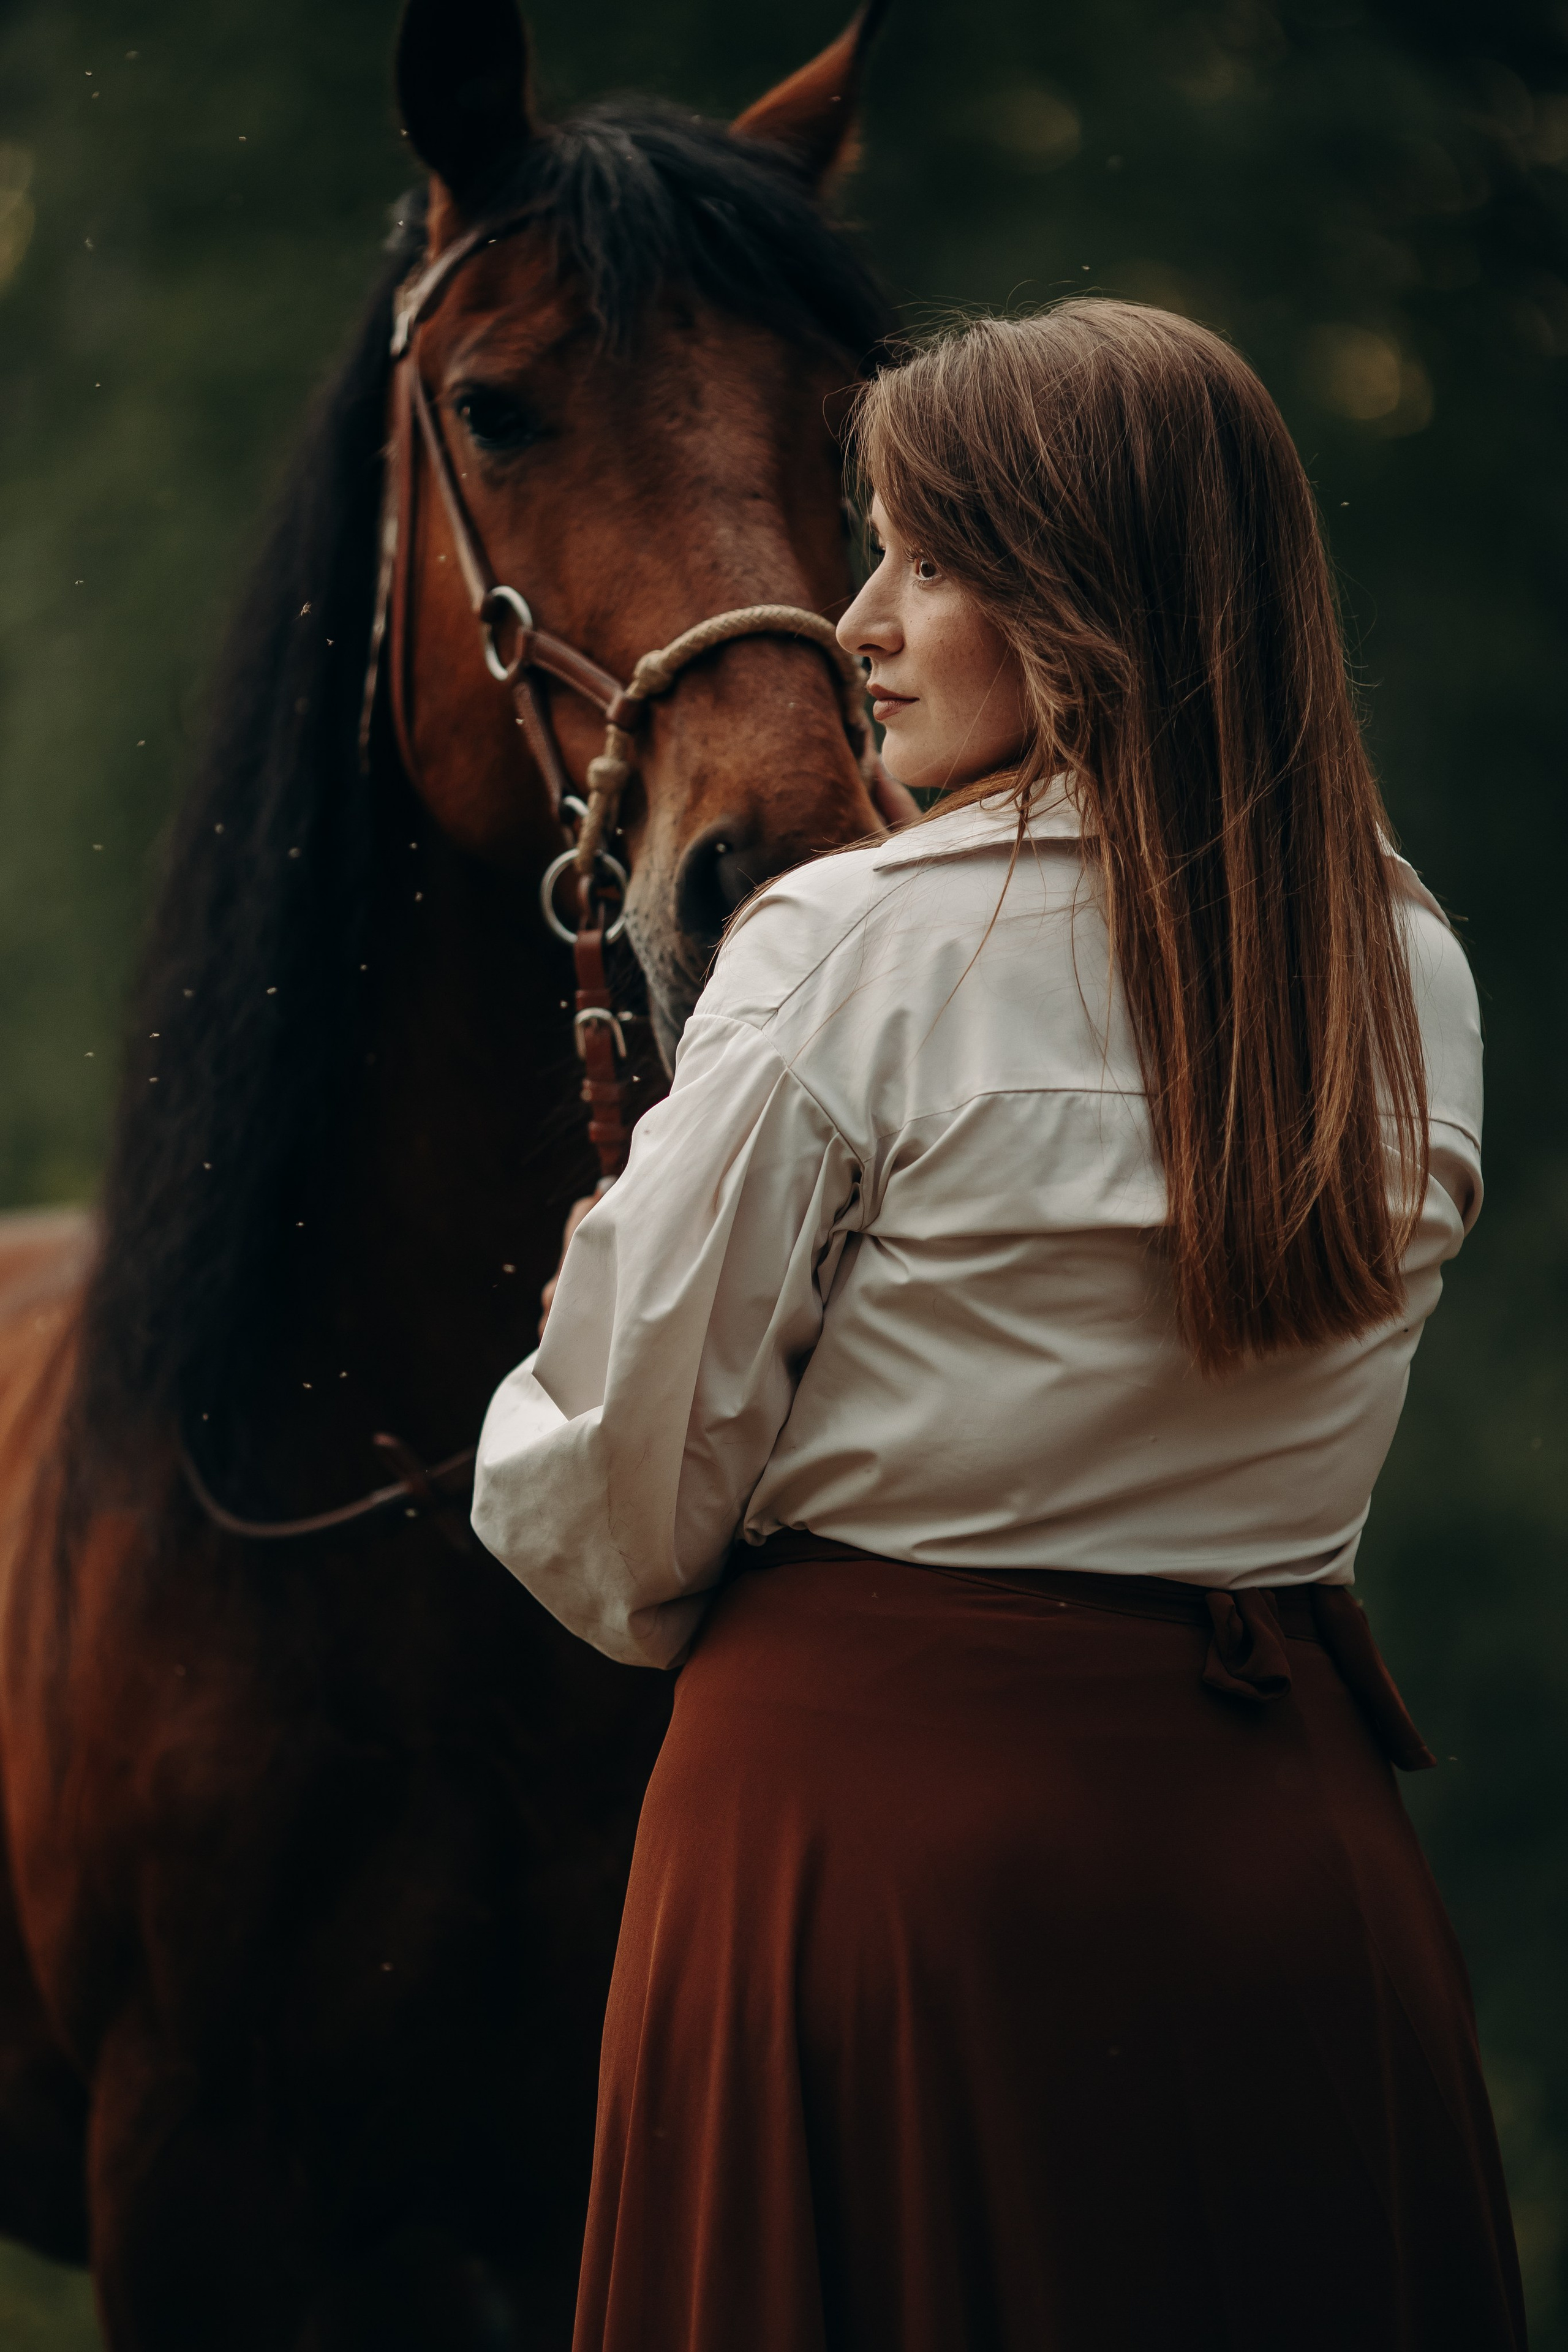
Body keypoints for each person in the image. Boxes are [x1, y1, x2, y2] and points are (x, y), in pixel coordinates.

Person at [472, 301, 1524, 2352]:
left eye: (925, 563)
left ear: (1090, 605)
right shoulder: (1406, 967)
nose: (856, 624)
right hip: (1285, 1865)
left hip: (876, 1868)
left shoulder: (854, 948)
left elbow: (611, 1504)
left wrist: (585, 1319)